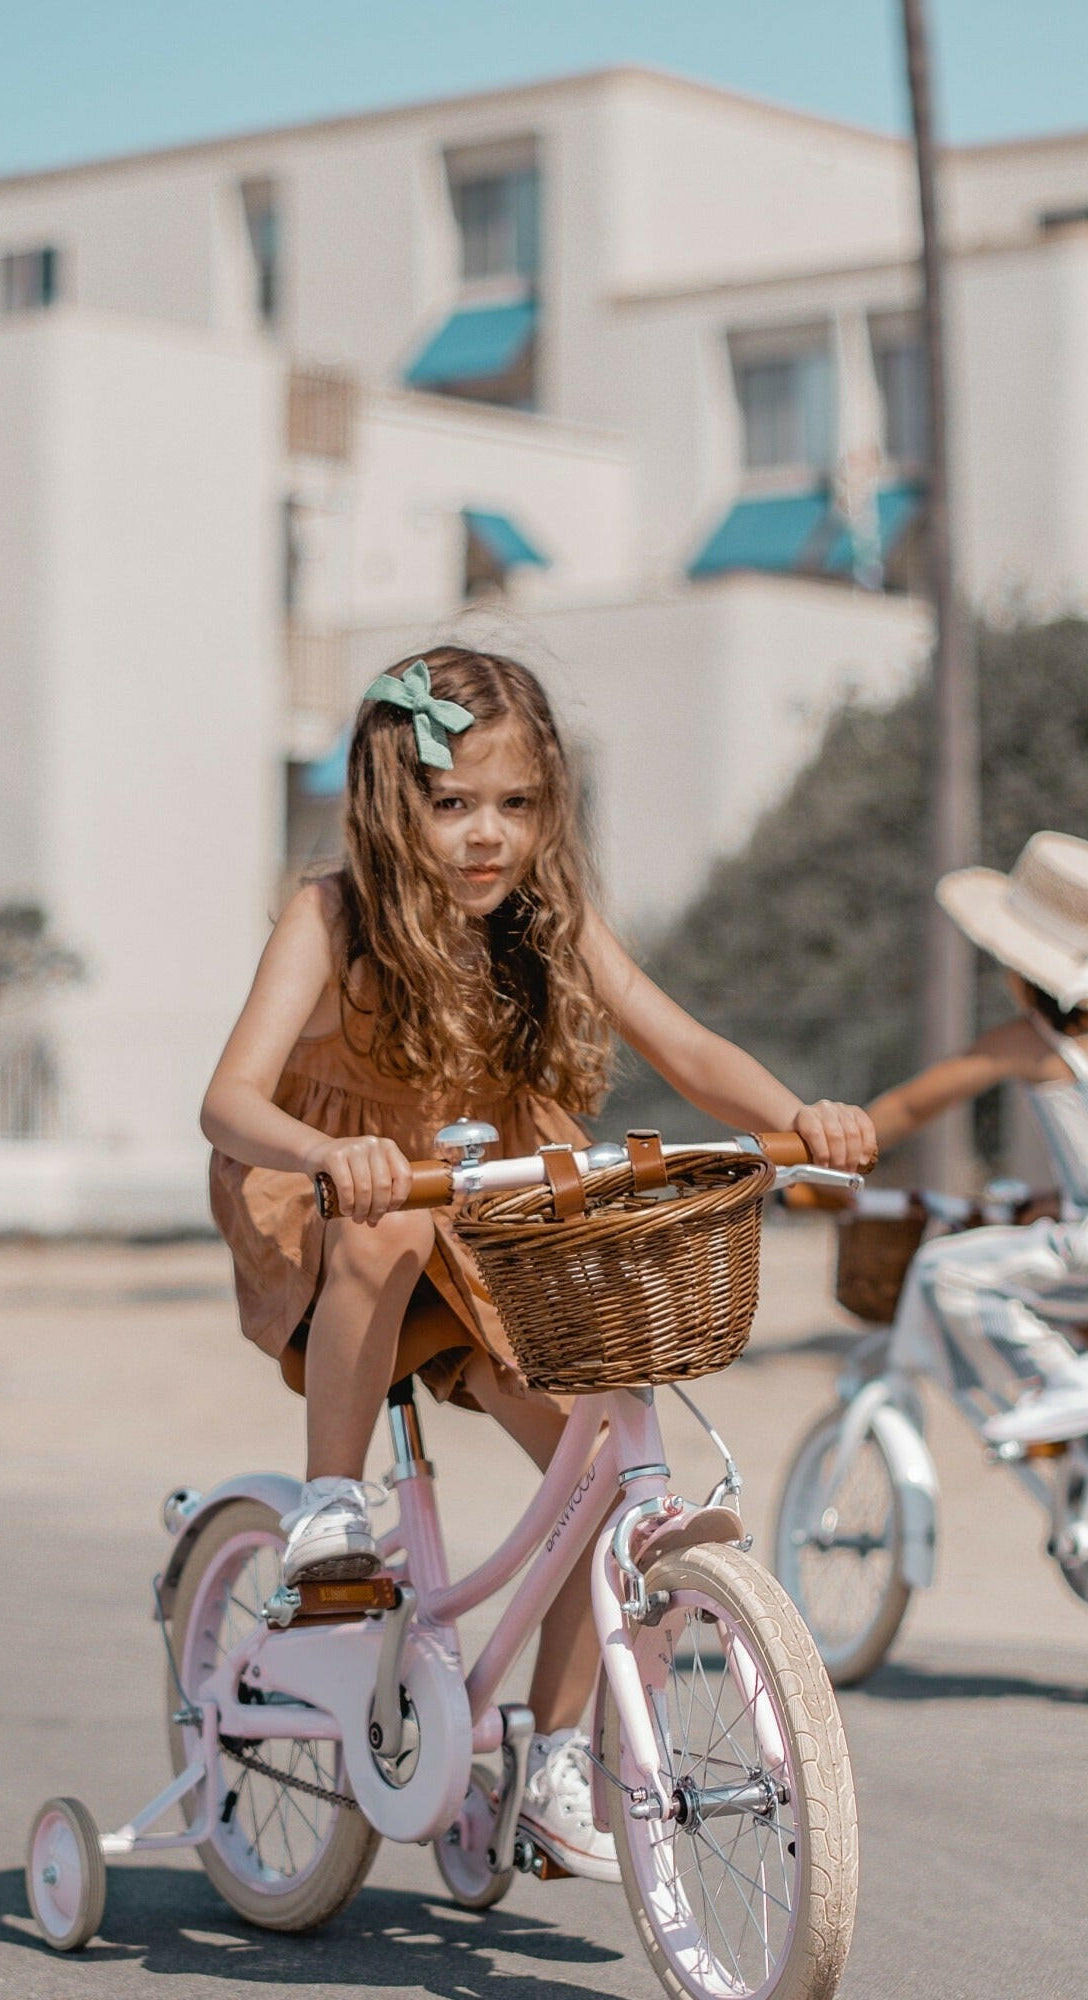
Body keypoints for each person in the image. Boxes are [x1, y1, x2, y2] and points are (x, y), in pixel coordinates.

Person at [201, 645, 873, 1881]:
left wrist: (804, 1118)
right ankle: (333, 1505)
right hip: (339, 1202)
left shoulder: (546, 927)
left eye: (514, 806)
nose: (483, 837)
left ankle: (556, 1756)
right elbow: (228, 1101)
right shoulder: (330, 913)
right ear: (389, 803)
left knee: (605, 1457)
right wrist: (325, 1150)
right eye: (450, 804)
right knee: (390, 1224)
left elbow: (688, 1046)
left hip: (487, 1208)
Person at [869, 830, 1088, 1451]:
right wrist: (1057, 1201)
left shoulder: (1030, 1041)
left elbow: (907, 1107)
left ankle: (1061, 1383)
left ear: (1025, 965)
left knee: (943, 1271)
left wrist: (818, 1148)